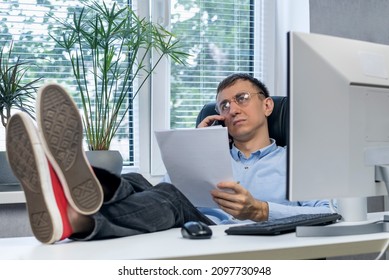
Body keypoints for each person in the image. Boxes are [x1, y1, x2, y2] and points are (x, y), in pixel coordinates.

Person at [6, 74, 330, 244]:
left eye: (241, 99)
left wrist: (260, 210)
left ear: (268, 106)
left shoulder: (296, 161)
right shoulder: (211, 153)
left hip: (226, 233)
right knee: (138, 182)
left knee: (168, 197)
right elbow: (158, 197)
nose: (231, 109)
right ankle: (78, 195)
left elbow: (330, 213)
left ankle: (75, 200)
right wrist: (196, 147)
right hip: (185, 223)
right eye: (224, 106)